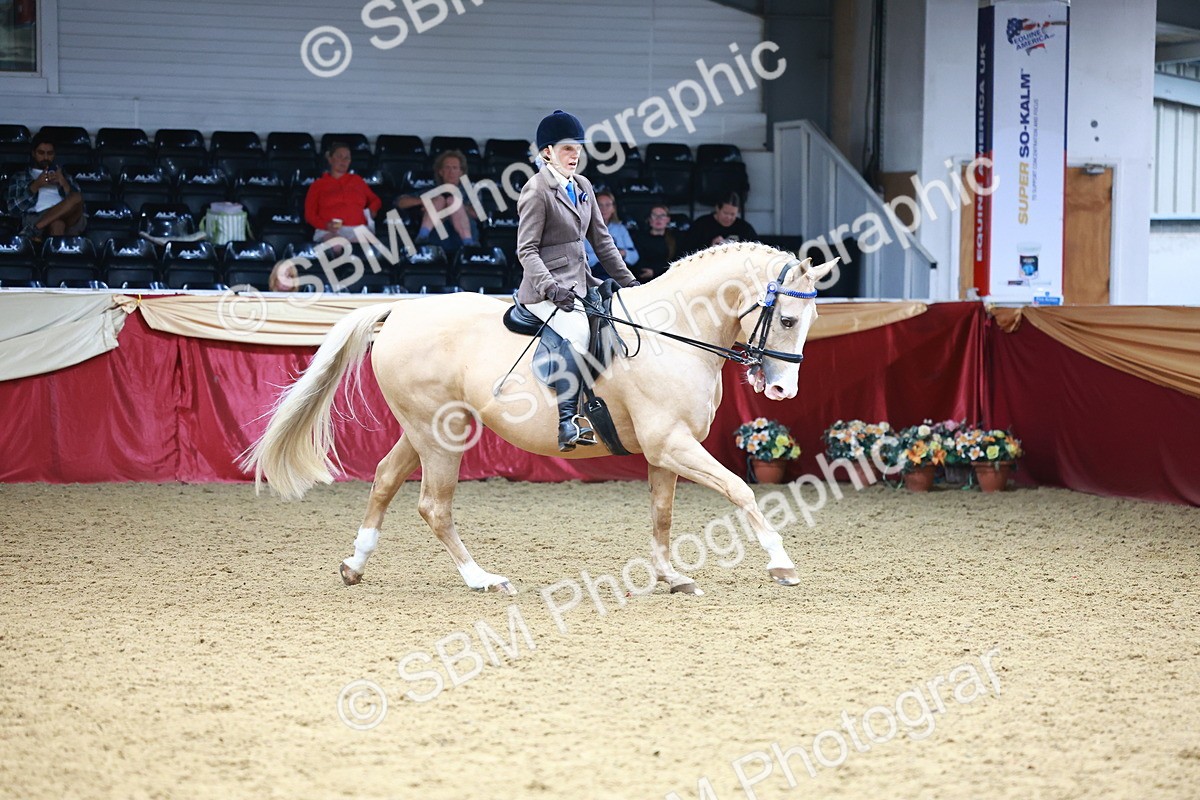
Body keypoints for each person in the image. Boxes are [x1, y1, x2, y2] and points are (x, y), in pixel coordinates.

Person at [515, 110, 640, 452]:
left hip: (581, 282)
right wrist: (550, 288)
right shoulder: (536, 191)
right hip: (546, 289)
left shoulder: (583, 186)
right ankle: (567, 421)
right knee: (577, 331)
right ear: (547, 152)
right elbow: (525, 250)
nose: (576, 155)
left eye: (578, 148)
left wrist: (630, 284)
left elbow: (602, 241)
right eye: (568, 149)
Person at [396, 149, 478, 258]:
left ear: (461, 172)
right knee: (439, 200)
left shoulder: (470, 192)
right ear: (441, 172)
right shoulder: (431, 191)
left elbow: (478, 214)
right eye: (447, 168)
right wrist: (424, 201)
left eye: (455, 168)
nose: (451, 172)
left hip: (462, 240)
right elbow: (400, 202)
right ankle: (422, 237)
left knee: (453, 201)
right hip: (435, 243)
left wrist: (456, 207)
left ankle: (468, 244)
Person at [4, 133, 86, 241]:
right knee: (57, 224)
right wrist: (36, 185)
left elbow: (79, 206)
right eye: (41, 153)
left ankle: (35, 229)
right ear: (33, 153)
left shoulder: (64, 176)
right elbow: (13, 209)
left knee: (76, 197)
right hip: (37, 215)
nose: (46, 157)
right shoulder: (21, 176)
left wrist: (64, 183)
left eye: (50, 153)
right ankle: (54, 254)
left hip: (68, 217)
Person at [304, 143, 381, 243]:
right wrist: (326, 225)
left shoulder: (357, 181)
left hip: (358, 227)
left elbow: (375, 200)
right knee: (337, 244)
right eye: (339, 156)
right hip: (330, 230)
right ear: (330, 159)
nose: (343, 161)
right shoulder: (318, 185)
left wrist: (372, 210)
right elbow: (310, 214)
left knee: (369, 245)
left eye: (347, 158)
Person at [584, 190, 642, 280]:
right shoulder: (586, 229)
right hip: (595, 275)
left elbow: (634, 256)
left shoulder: (620, 229)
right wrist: (607, 255)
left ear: (613, 208)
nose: (604, 209)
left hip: (619, 273)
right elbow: (582, 259)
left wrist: (623, 253)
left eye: (608, 205)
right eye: (600, 205)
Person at [683, 192, 757, 255]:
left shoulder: (745, 228)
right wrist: (710, 248)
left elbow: (756, 250)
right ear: (717, 208)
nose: (728, 217)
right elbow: (688, 252)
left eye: (732, 214)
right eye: (725, 213)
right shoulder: (701, 225)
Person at [631, 204, 678, 280]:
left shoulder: (675, 239)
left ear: (668, 219)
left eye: (662, 215)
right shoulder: (640, 238)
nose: (658, 219)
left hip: (667, 278)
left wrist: (655, 271)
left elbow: (676, 261)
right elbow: (636, 260)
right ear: (649, 219)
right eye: (654, 215)